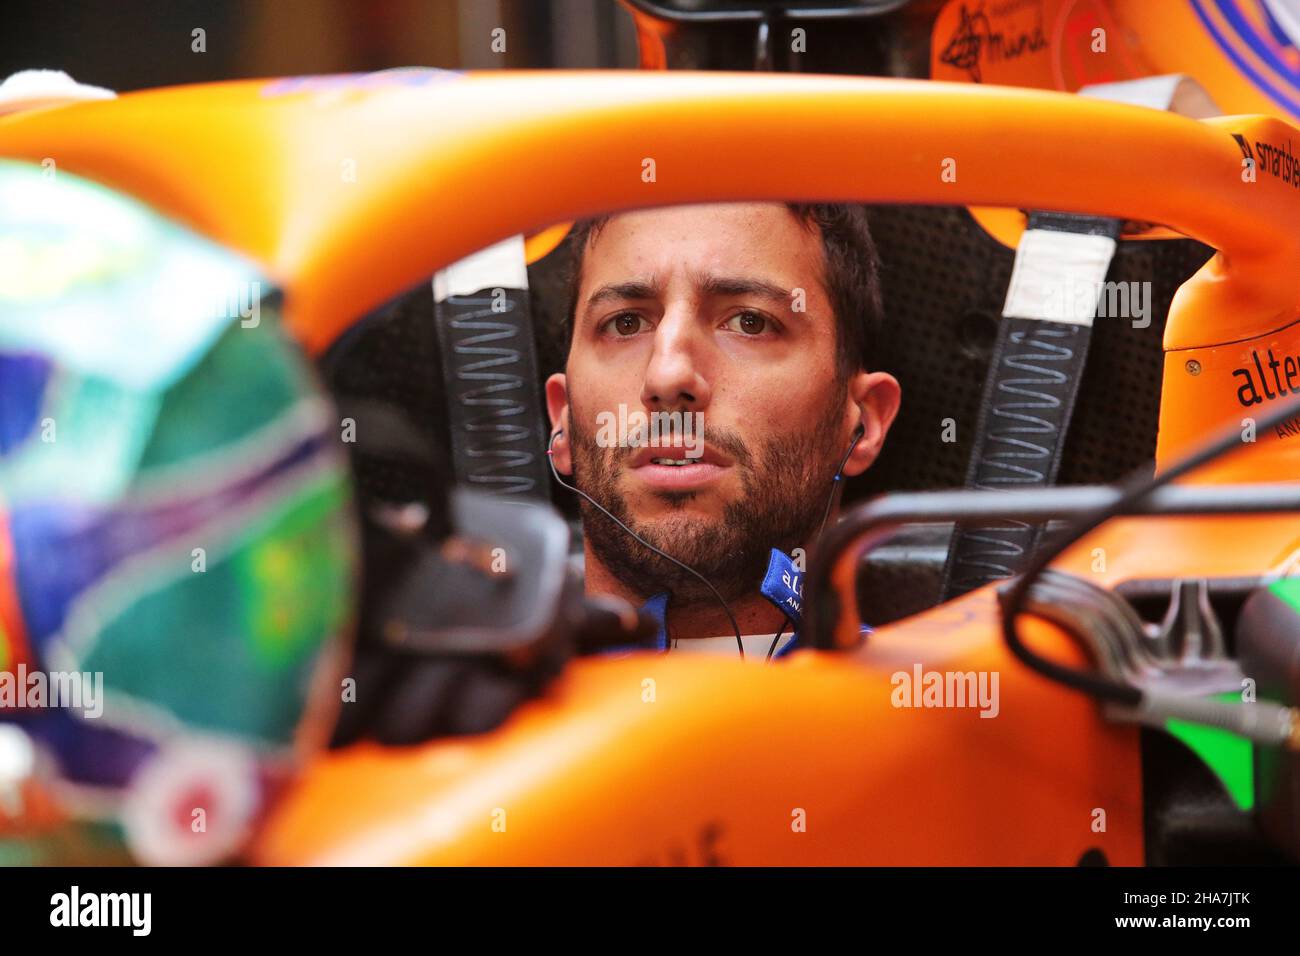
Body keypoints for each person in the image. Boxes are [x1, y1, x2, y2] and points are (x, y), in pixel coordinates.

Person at [545, 202, 900, 658]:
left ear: (863, 422)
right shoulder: (475, 690)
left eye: (750, 322)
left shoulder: (933, 695)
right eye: (626, 323)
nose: (667, 376)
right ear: (564, 418)